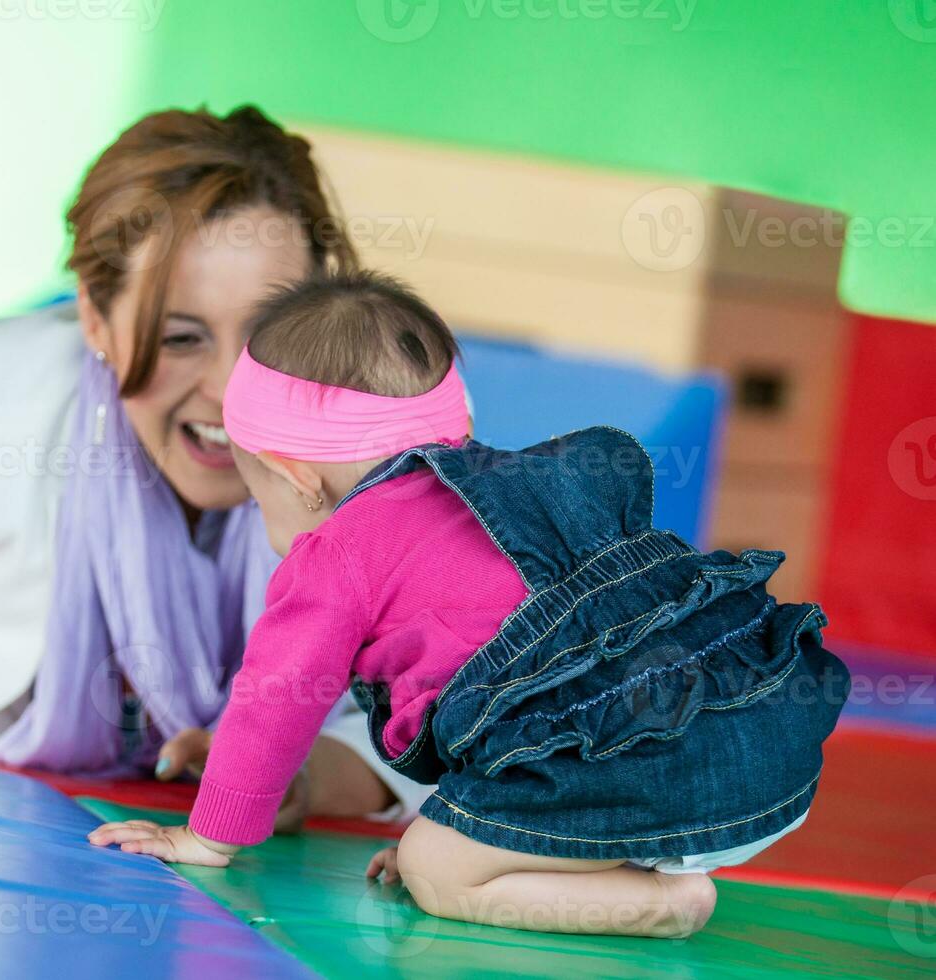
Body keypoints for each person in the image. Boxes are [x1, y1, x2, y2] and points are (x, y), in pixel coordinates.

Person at [88, 270, 848, 938]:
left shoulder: (339, 550)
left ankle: (661, 902)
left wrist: (212, 836)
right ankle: (519, 850)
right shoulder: (511, 487)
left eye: (258, 497)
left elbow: (276, 694)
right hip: (762, 732)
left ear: (295, 477)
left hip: (653, 774)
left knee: (433, 869)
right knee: (481, 786)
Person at [0, 106, 427, 827]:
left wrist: (305, 775)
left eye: (273, 332)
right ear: (95, 322)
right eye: (181, 337)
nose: (233, 393)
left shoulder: (384, 440)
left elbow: (434, 707)